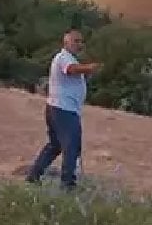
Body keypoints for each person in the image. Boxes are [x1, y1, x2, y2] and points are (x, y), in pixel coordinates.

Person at [25, 29, 101, 190]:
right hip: (64, 110)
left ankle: (34, 176)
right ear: (66, 43)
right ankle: (67, 184)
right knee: (71, 146)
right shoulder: (63, 58)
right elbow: (71, 69)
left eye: (81, 41)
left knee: (55, 145)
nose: (79, 44)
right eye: (76, 41)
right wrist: (89, 68)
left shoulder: (68, 58)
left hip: (58, 108)